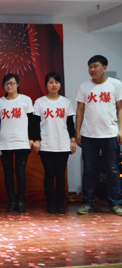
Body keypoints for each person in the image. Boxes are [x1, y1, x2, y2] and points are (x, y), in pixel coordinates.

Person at [75, 55, 122, 216]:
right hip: (89, 134)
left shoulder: (115, 84)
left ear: (105, 68)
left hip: (110, 133)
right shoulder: (84, 87)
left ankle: (115, 203)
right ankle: (88, 203)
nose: (92, 70)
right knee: (89, 170)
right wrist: (78, 132)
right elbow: (80, 110)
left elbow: (120, 108)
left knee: (113, 170)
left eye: (95, 66)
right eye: (90, 67)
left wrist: (121, 129)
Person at [0, 73, 38, 213]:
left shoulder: (25, 100)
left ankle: (21, 201)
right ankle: (11, 201)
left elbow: (32, 121)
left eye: (11, 83)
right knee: (8, 173)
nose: (9, 86)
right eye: (6, 84)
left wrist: (32, 139)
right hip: (5, 143)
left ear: (18, 84)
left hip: (22, 142)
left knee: (20, 172)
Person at [33, 72, 76, 214]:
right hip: (46, 144)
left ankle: (60, 203)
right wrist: (37, 140)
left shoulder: (66, 102)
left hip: (63, 143)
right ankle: (50, 203)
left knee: (60, 174)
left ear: (60, 85)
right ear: (46, 84)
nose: (54, 85)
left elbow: (70, 123)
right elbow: (35, 123)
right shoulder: (40, 102)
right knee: (49, 174)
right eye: (51, 82)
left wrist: (73, 140)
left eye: (56, 82)